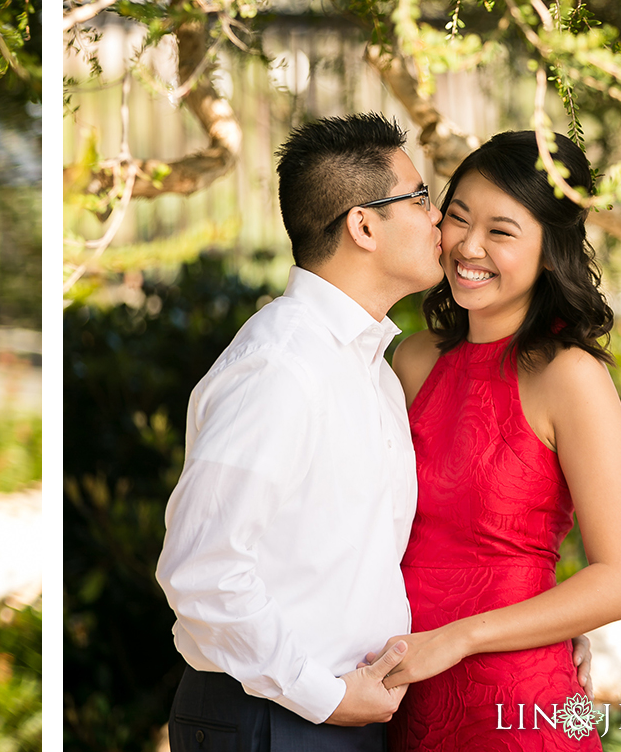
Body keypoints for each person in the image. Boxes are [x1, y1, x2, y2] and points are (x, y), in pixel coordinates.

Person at [156, 113, 442, 751]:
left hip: (342, 713)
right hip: (278, 715)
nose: (438, 221)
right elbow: (201, 566)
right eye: (420, 198)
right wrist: (324, 694)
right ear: (363, 225)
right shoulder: (281, 366)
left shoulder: (370, 365)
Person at [384, 131, 621, 750]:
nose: (468, 247)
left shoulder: (571, 377)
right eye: (458, 218)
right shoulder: (413, 359)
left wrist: (460, 637)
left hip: (519, 704)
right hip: (396, 693)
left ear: (551, 253)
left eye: (501, 232)